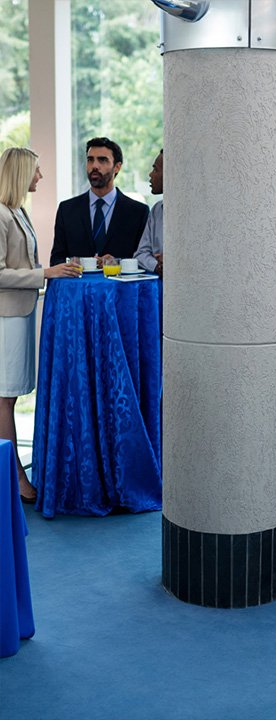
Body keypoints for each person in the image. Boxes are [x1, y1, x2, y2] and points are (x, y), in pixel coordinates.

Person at [0, 148, 80, 503]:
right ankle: (15, 478)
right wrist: (45, 273)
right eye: (36, 171)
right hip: (7, 318)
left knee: (9, 398)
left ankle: (12, 473)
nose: (40, 177)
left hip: (20, 314)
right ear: (20, 173)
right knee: (4, 399)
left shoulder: (18, 211)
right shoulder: (0, 215)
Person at [49, 137, 149, 266]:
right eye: (90, 160)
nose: (95, 166)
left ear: (117, 167)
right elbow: (56, 260)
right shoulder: (67, 210)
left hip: (120, 286)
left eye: (102, 160)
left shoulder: (138, 212)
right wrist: (79, 263)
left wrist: (118, 263)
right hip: (78, 285)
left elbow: (143, 260)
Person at [134, 149, 164, 275]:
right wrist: (158, 266)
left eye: (156, 170)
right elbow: (140, 254)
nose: (151, 175)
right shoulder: (156, 210)